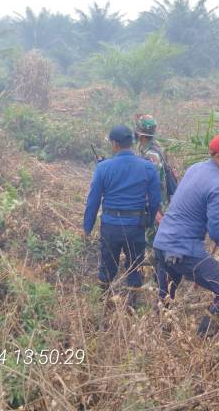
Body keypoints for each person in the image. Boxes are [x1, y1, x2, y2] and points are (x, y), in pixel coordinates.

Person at [153, 133, 219, 337]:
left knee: (165, 298)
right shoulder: (218, 184)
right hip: (183, 250)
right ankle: (202, 343)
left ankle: (160, 338)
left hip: (162, 243)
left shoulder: (195, 168)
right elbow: (216, 228)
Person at [83, 124, 162, 306]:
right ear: (132, 142)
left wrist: (87, 226)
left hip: (110, 226)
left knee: (107, 265)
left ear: (114, 144)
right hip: (136, 225)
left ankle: (104, 304)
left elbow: (93, 200)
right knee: (135, 266)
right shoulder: (148, 167)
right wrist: (148, 222)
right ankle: (132, 305)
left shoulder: (103, 168)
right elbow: (155, 199)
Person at [134, 114, 176, 206]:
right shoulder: (152, 146)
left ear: (141, 134)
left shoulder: (152, 155)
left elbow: (152, 183)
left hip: (154, 205)